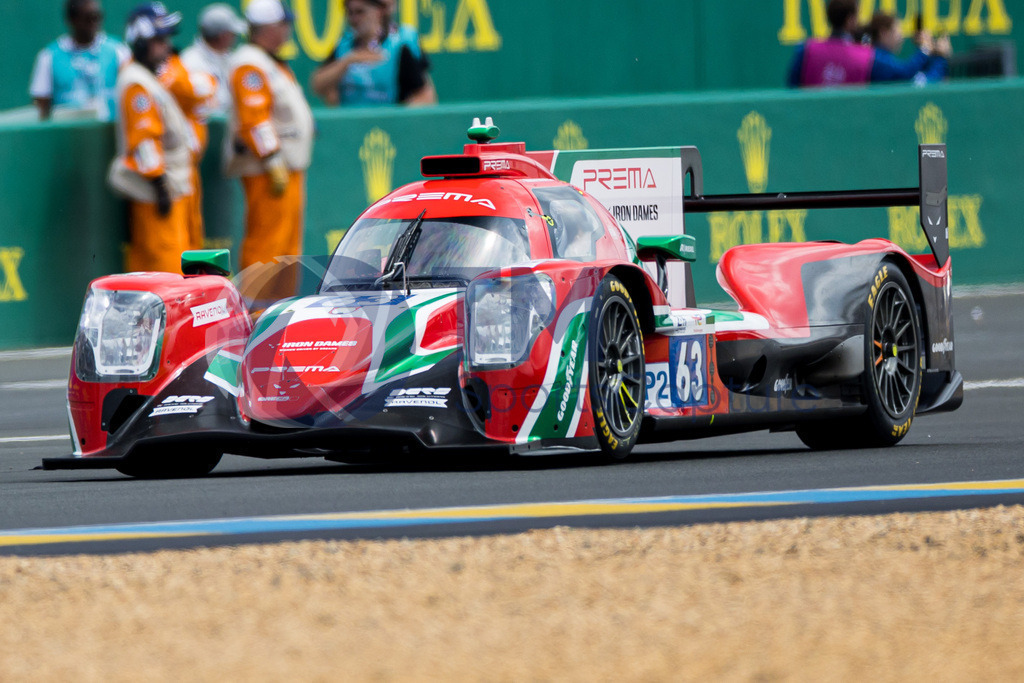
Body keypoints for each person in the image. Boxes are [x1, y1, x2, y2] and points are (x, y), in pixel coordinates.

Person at [225, 0, 314, 279]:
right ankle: (257, 313)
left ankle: (280, 311)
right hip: (268, 170)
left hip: (287, 168)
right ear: (268, 27)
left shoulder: (268, 60)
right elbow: (254, 118)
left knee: (287, 250)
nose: (288, 30)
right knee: (268, 245)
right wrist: (272, 159)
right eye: (284, 24)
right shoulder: (249, 63)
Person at [107, 2, 195, 273]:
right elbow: (144, 141)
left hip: (167, 188)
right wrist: (160, 186)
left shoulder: (145, 77)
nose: (166, 46)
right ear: (141, 42)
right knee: (167, 271)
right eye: (159, 40)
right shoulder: (137, 82)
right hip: (156, 195)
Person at [309, 0, 435, 107]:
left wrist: (399, 121)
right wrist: (348, 61)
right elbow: (317, 85)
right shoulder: (343, 45)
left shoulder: (398, 46)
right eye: (350, 13)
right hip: (350, 128)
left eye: (360, 12)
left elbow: (424, 95)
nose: (354, 19)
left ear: (378, 12)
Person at [28, 0, 130, 121]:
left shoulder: (119, 51)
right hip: (67, 135)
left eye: (97, 16)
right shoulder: (49, 56)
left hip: (109, 134)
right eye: (88, 18)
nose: (94, 23)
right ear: (72, 20)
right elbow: (42, 108)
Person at [159, 49, 217, 250]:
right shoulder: (167, 72)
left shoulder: (179, 66)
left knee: (192, 235)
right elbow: (184, 88)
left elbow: (208, 86)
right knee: (172, 243)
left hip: (188, 166)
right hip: (165, 170)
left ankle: (192, 281)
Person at [788, 0, 874, 88]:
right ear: (850, 19)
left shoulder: (806, 50)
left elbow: (792, 91)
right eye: (856, 17)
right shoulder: (867, 56)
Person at [180, 3, 248, 113]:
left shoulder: (229, 57)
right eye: (232, 33)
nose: (235, 37)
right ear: (223, 36)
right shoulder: (191, 62)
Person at [864, 13, 950, 84]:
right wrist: (927, 50)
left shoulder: (880, 56)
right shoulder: (878, 59)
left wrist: (934, 55)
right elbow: (908, 74)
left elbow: (917, 76)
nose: (901, 37)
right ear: (883, 33)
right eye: (897, 31)